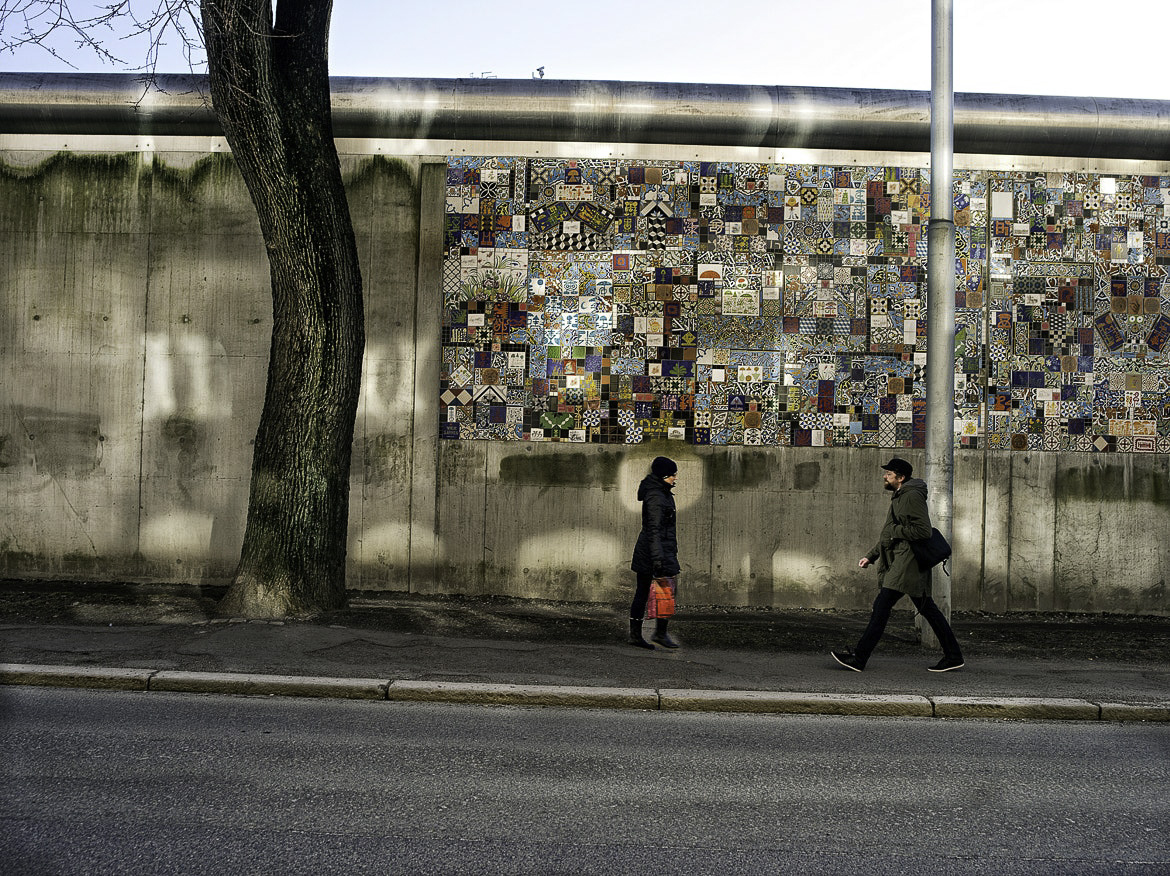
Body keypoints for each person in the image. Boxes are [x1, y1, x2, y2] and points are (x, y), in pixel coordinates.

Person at [832, 457, 965, 673]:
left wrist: (896, 531)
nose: (884, 477)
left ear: (900, 478)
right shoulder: (900, 496)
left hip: (908, 562)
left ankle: (859, 658)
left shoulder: (911, 496)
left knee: (882, 606)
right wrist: (872, 556)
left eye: (889, 474)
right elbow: (888, 533)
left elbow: (923, 531)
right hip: (904, 561)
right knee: (927, 609)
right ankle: (953, 655)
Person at [628, 456, 680, 649]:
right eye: (673, 474)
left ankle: (657, 633)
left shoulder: (662, 493)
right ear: (664, 476)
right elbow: (654, 530)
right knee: (646, 592)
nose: (675, 478)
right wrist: (658, 559)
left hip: (659, 550)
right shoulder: (657, 497)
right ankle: (645, 635)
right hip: (653, 552)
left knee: (663, 590)